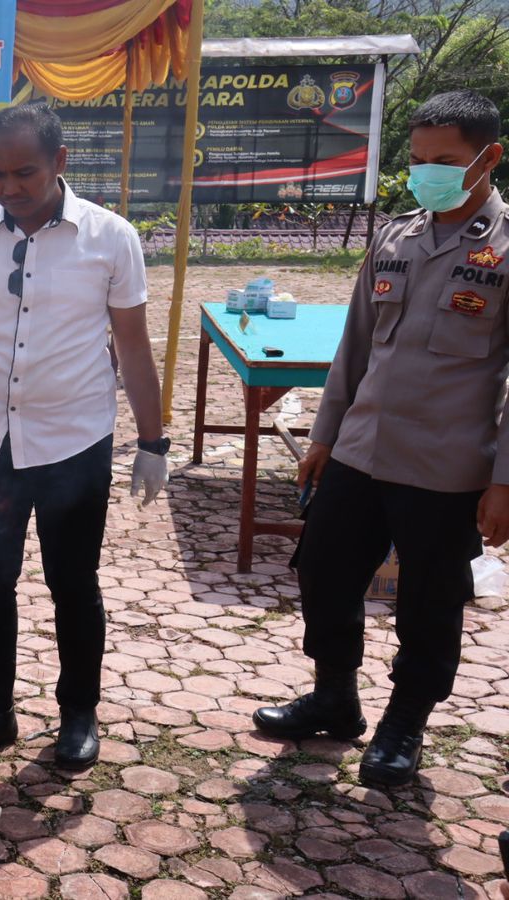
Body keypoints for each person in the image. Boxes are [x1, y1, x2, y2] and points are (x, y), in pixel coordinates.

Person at [0, 103, 168, 770]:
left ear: (61, 163)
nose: (10, 189)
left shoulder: (110, 238)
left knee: (73, 581)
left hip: (75, 440)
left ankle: (79, 715)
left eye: (26, 174)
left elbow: (132, 348)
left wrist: (153, 442)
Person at [253, 90, 509, 788]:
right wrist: (324, 434)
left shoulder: (505, 247)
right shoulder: (395, 235)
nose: (429, 175)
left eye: (446, 162)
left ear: (490, 157)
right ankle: (336, 696)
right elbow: (355, 347)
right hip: (361, 449)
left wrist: (504, 481)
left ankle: (405, 723)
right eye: (419, 161)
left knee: (430, 600)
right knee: (322, 570)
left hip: (446, 465)